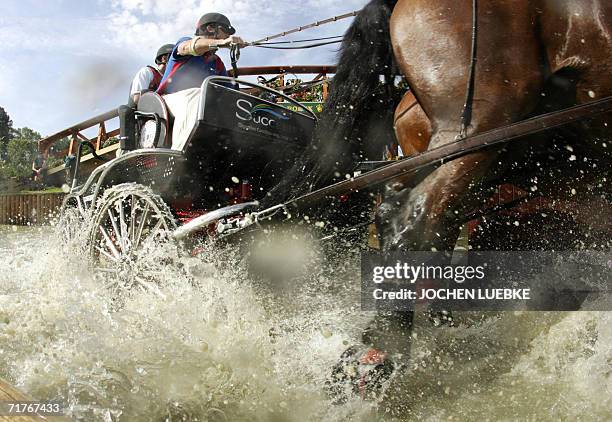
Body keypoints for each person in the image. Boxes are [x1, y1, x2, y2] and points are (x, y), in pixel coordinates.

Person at [157, 13, 245, 95]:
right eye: (225, 30)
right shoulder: (185, 42)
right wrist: (222, 42)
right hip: (168, 102)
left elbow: (230, 92)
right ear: (210, 28)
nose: (228, 36)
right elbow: (186, 48)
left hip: (199, 105)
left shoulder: (217, 63)